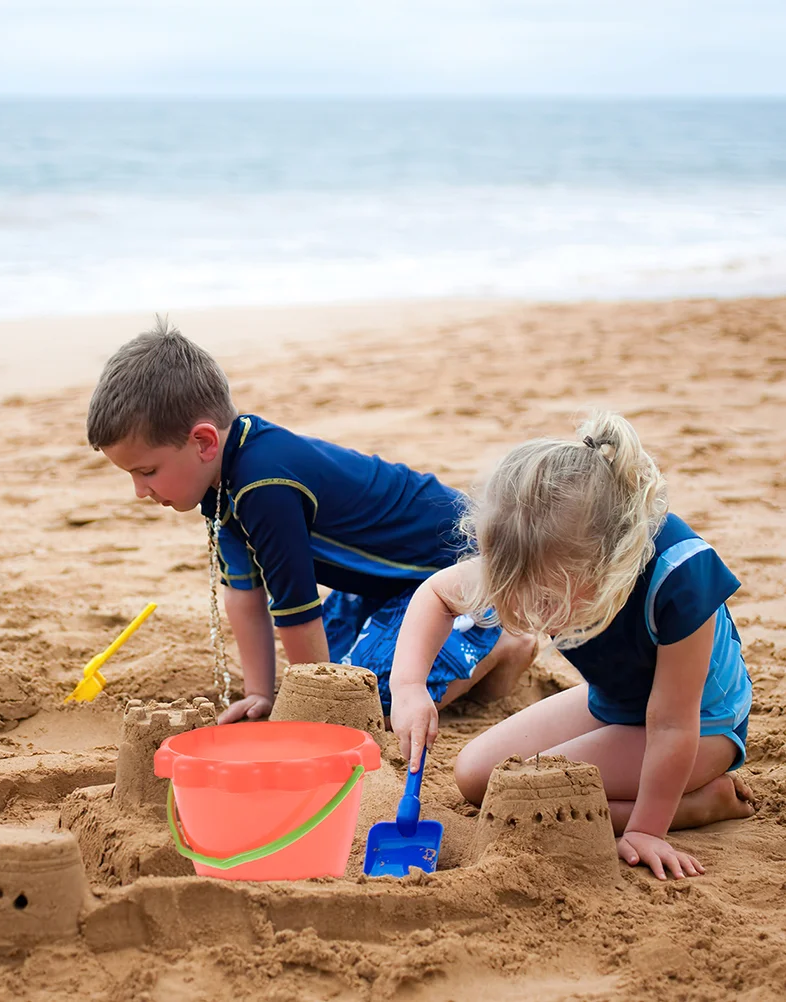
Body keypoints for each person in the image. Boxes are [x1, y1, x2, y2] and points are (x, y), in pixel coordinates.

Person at [86, 317, 535, 724]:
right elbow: (244, 596)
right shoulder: (221, 484)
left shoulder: (264, 486)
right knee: (330, 674)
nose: (140, 491)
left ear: (203, 441)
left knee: (361, 698)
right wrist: (260, 693)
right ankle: (477, 643)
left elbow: (296, 611)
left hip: (459, 567)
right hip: (385, 582)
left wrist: (316, 720)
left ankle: (500, 641)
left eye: (146, 471)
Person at [390, 410, 755, 880]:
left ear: (604, 567)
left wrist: (647, 830)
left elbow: (669, 725)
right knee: (477, 777)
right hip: (616, 702)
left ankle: (700, 806)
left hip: (700, 726)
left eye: (546, 597)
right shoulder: (537, 550)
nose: (534, 611)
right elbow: (437, 594)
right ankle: (680, 799)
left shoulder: (680, 578)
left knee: (521, 798)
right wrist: (408, 686)